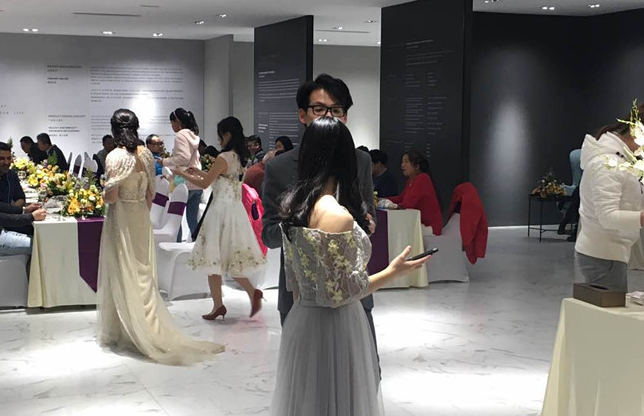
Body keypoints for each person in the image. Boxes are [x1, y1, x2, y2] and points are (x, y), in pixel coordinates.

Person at [252, 117, 429, 416]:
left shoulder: (294, 207)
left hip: (303, 323)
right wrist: (394, 271)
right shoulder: (338, 215)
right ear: (344, 159)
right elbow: (345, 292)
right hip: (336, 329)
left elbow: (296, 284)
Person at [96, 109, 223, 364]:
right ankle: (147, 323)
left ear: (114, 129)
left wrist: (104, 189)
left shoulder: (114, 157)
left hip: (121, 218)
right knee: (142, 273)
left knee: (122, 269)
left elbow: (111, 197)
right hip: (141, 219)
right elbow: (151, 194)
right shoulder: (144, 154)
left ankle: (127, 328)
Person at [262, 73, 376, 328]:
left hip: (354, 293)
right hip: (299, 297)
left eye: (336, 110)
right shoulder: (280, 167)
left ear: (345, 116)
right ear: (302, 115)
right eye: (319, 109)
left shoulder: (361, 161)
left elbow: (369, 219)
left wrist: (366, 222)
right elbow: (269, 236)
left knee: (363, 355)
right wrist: (303, 223)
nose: (329, 116)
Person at [175, 116, 266, 321]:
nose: (219, 139)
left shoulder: (224, 157)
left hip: (220, 212)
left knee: (213, 260)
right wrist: (199, 172)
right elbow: (220, 178)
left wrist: (181, 173)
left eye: (220, 135)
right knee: (229, 261)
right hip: (234, 211)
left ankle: (220, 304)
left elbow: (206, 183)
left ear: (227, 135)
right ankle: (247, 294)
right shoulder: (238, 158)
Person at [575, 103, 644, 291]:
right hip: (602, 255)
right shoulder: (608, 164)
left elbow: (632, 200)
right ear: (638, 131)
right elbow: (608, 217)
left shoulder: (622, 160)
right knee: (609, 309)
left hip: (609, 255)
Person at [163, 108, 203, 240]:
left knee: (176, 217)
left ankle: (177, 244)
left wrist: (165, 161)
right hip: (196, 182)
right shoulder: (193, 136)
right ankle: (197, 245)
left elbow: (183, 158)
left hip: (184, 183)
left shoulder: (181, 135)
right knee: (193, 219)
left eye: (172, 123)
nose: (172, 126)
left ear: (177, 121)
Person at [386, 150, 443, 235]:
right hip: (418, 222)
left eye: (406, 162)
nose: (402, 165)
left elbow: (408, 204)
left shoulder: (422, 178)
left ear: (416, 166)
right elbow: (400, 198)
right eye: (402, 162)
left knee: (396, 231)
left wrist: (393, 205)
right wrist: (381, 199)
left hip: (429, 226)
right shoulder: (410, 180)